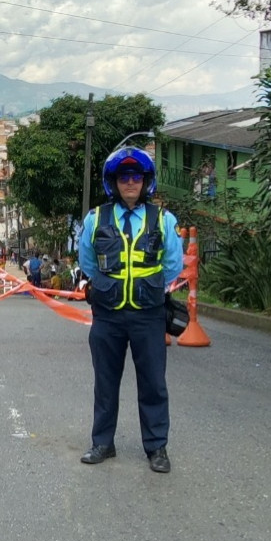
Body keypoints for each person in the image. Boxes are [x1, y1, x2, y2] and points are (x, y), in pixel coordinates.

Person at [77, 146, 183, 473]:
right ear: (114, 182)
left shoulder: (163, 220)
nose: (130, 182)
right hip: (107, 315)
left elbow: (173, 264)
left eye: (136, 176)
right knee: (105, 382)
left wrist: (148, 288)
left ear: (146, 181)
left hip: (148, 315)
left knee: (153, 384)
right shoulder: (96, 219)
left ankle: (157, 448)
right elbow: (87, 261)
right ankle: (102, 443)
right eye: (124, 177)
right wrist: (110, 287)